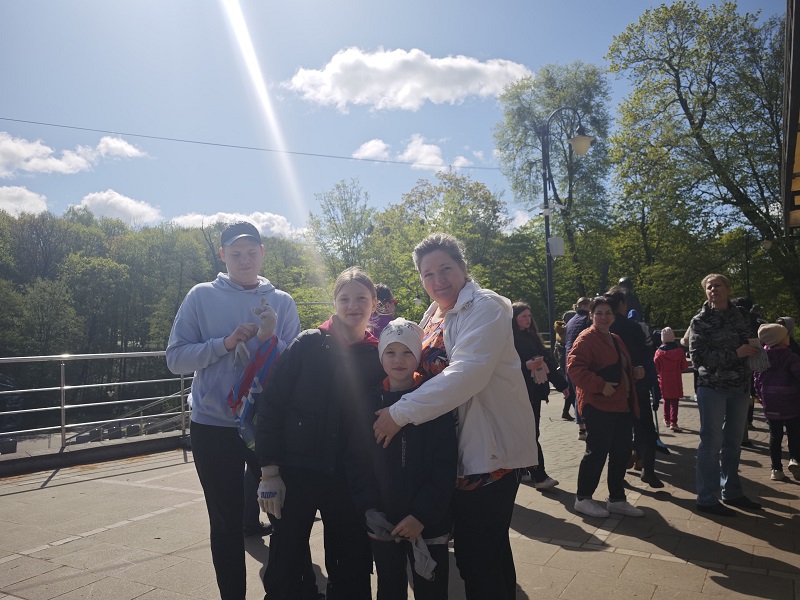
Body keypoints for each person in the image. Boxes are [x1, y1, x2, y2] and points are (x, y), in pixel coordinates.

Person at [372, 233, 537, 600]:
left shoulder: (486, 306)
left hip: (488, 453)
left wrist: (399, 413)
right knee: (486, 555)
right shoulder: (433, 314)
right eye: (427, 274)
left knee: (479, 559)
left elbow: (468, 373)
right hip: (454, 453)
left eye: (445, 268)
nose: (438, 280)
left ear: (463, 267)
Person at [166, 221, 301, 600]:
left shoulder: (282, 301)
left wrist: (268, 340)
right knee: (225, 522)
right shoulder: (201, 296)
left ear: (263, 253)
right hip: (212, 426)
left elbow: (296, 368)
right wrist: (224, 343)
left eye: (251, 252)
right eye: (236, 253)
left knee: (285, 515)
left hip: (267, 426)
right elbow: (175, 359)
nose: (245, 260)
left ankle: (282, 591)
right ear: (223, 256)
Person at [255, 267, 386, 600]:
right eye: (345, 298)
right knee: (286, 562)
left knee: (352, 564)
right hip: (297, 472)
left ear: (374, 303)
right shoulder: (309, 344)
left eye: (361, 298)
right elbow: (271, 404)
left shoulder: (379, 355)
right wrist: (269, 472)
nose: (353, 306)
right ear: (334, 302)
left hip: (349, 477)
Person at [351, 318, 457, 600]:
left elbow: (445, 464)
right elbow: (358, 460)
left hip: (428, 523)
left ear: (418, 355)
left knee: (432, 589)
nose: (398, 360)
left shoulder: (433, 400)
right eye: (390, 352)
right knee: (389, 587)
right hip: (383, 520)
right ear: (380, 356)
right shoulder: (368, 402)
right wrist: (369, 508)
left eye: (407, 352)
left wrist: (422, 514)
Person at [689, 273, 762, 516]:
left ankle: (731, 491)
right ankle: (706, 499)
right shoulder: (700, 321)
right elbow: (698, 358)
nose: (713, 290)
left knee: (733, 443)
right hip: (713, 387)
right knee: (711, 443)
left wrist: (756, 353)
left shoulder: (741, 315)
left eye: (717, 285)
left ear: (728, 289)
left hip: (740, 387)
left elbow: (750, 342)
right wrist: (736, 353)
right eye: (709, 287)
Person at [567, 296, 644, 519]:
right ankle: (583, 498)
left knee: (621, 453)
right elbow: (574, 369)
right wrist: (600, 385)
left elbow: (620, 368)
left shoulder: (615, 338)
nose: (604, 317)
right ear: (591, 315)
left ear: (614, 316)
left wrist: (634, 373)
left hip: (621, 405)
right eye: (599, 313)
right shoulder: (586, 339)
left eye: (608, 313)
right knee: (597, 453)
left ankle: (617, 499)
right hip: (599, 405)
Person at [606, 288, 663, 488]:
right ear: (622, 304)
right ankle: (648, 469)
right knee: (645, 428)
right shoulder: (634, 327)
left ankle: (617, 475)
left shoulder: (603, 328)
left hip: (612, 386)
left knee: (618, 433)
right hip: (637, 383)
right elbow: (647, 354)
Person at [512, 302, 569, 490]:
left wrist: (562, 385)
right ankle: (539, 476)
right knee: (530, 434)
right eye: (523, 316)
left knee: (529, 433)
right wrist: (524, 366)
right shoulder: (508, 338)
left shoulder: (532, 336)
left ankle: (524, 470)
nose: (528, 319)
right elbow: (504, 366)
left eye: (529, 316)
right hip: (519, 393)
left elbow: (549, 361)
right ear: (514, 318)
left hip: (535, 391)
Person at [753, 323, 800, 481]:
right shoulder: (791, 357)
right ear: (779, 339)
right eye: (786, 335)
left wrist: (761, 396)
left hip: (771, 401)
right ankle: (795, 459)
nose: (788, 337)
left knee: (775, 435)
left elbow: (756, 380)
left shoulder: (761, 358)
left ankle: (776, 469)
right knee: (794, 432)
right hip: (792, 400)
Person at [565, 297, 593, 435]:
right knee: (584, 394)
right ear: (584, 306)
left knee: (577, 395)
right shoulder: (587, 319)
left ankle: (581, 428)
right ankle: (588, 426)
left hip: (569, 361)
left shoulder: (571, 321)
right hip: (583, 360)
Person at [654, 327, 689, 432]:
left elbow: (656, 368)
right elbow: (684, 366)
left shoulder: (658, 352)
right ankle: (674, 422)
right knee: (675, 401)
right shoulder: (679, 352)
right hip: (676, 380)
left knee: (666, 400)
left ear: (662, 339)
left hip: (664, 380)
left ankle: (667, 419)